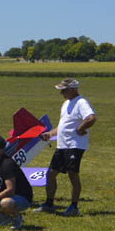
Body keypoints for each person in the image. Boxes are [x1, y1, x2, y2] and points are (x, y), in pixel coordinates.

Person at [35, 78, 97, 216]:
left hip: (74, 145)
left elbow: (91, 118)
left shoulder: (81, 102)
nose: (61, 93)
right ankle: (49, 204)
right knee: (50, 174)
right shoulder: (66, 103)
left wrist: (81, 128)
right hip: (62, 145)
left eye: (64, 90)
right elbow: (63, 125)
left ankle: (74, 207)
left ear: (73, 89)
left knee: (73, 175)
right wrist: (50, 134)